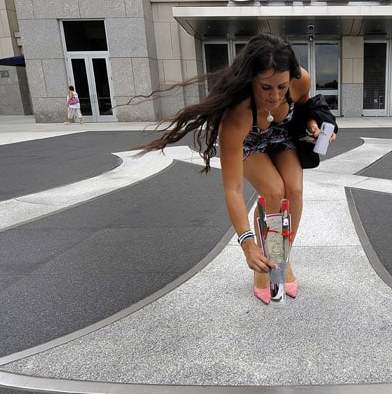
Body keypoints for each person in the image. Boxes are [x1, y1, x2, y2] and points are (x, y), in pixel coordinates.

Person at [138, 33, 337, 304]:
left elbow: (305, 109)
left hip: (282, 136)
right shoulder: (237, 114)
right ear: (251, 79)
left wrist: (315, 126)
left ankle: (281, 257)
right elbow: (232, 189)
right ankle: (263, 266)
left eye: (281, 86)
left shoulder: (300, 79)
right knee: (274, 191)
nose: (275, 96)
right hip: (249, 143)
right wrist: (247, 245)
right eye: (266, 87)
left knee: (295, 190)